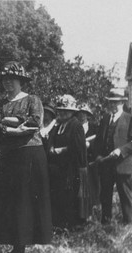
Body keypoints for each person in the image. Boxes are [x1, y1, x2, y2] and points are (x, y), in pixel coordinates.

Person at [0, 61, 52, 253]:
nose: (8, 83)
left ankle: (22, 245)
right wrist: (13, 127)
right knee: (11, 200)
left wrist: (9, 123)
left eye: (12, 79)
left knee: (25, 200)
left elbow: (34, 123)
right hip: (9, 157)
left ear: (20, 81)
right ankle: (14, 241)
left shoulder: (33, 100)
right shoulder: (0, 103)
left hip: (29, 155)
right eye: (5, 80)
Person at [93, 88, 132, 225]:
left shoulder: (130, 119)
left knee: (125, 197)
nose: (113, 105)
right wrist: (98, 155)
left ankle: (128, 227)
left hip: (122, 165)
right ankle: (105, 225)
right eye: (111, 102)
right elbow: (99, 140)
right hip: (106, 165)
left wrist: (120, 151)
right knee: (105, 196)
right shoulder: (105, 118)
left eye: (116, 102)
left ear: (123, 102)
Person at [47, 94, 89, 228]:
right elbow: (51, 140)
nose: (63, 113)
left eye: (66, 110)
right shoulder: (58, 125)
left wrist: (62, 150)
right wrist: (52, 147)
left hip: (70, 167)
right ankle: (59, 223)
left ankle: (70, 225)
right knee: (58, 194)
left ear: (72, 112)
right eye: (61, 110)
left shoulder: (76, 126)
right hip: (57, 167)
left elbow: (79, 148)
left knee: (69, 195)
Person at [76, 103, 100, 206]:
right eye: (80, 113)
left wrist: (90, 145)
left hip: (91, 161)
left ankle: (94, 208)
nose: (82, 115)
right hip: (78, 161)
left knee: (93, 184)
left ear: (87, 115)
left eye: (84, 113)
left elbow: (99, 142)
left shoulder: (94, 127)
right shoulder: (75, 127)